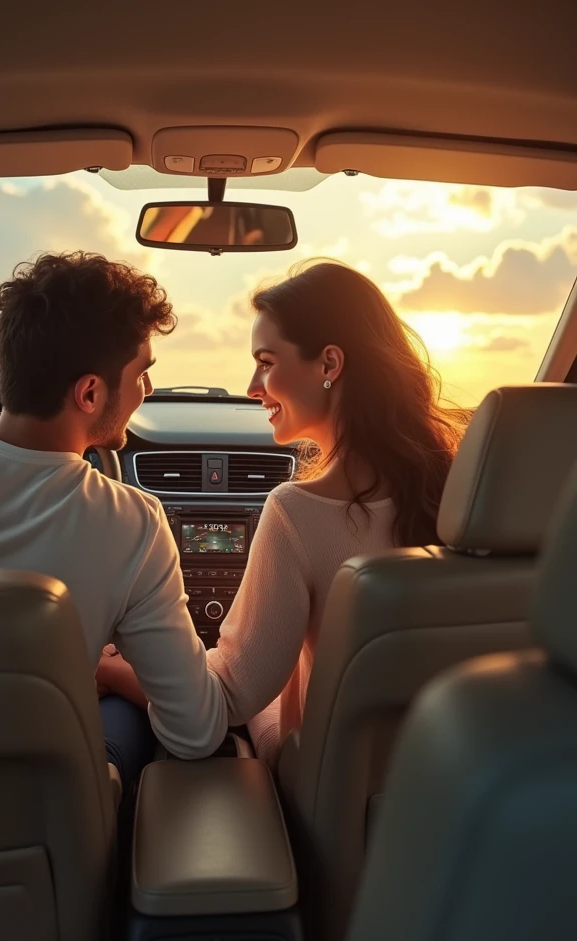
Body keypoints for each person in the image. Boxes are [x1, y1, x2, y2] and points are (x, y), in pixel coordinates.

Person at [100, 260, 467, 767]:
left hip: (333, 793)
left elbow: (226, 696)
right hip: (455, 775)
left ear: (329, 364)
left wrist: (115, 671)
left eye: (267, 361)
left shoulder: (298, 510)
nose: (253, 386)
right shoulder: (465, 492)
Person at [0, 251, 232, 786]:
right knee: (127, 714)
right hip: (32, 828)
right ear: (89, 393)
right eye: (142, 374)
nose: (147, 392)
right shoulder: (132, 524)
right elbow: (196, 733)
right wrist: (104, 670)